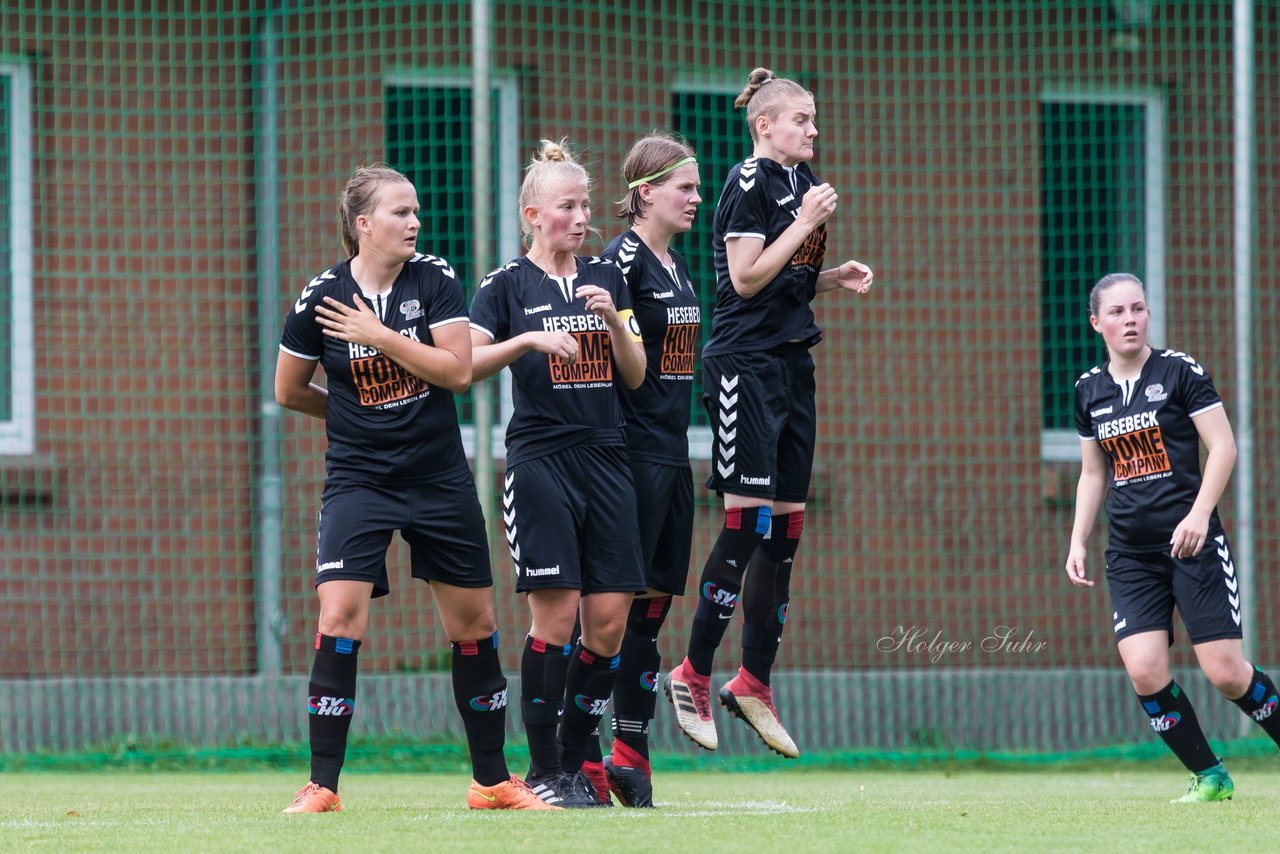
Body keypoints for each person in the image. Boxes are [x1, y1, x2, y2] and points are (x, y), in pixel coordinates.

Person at [275, 164, 555, 813]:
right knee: (339, 615)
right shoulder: (320, 299)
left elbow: (457, 373)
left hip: (438, 478)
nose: (415, 222)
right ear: (363, 224)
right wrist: (354, 417)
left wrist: (379, 337)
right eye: (401, 212)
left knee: (475, 624)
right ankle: (323, 785)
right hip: (360, 482)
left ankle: (491, 782)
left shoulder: (435, 279)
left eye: (416, 211)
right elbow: (288, 391)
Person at [663, 67, 874, 759]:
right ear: (766, 126)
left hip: (791, 362)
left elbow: (781, 275)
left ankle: (753, 679)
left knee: (785, 527)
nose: (814, 129)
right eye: (802, 119)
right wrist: (810, 225)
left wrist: (829, 274)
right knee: (748, 517)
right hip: (745, 367)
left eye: (814, 120)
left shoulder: (793, 184)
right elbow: (746, 278)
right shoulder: (748, 181)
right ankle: (693, 672)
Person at [468, 140, 648, 808]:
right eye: (567, 206)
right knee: (558, 617)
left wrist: (614, 324)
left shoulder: (608, 278)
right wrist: (526, 341)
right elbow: (467, 365)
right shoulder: (505, 286)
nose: (581, 217)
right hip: (541, 461)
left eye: (585, 205)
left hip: (608, 458)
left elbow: (636, 375)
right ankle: (543, 768)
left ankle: (577, 764)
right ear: (532, 213)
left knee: (607, 624)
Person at [1066, 272, 1280, 803]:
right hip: (1130, 555)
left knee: (1227, 674)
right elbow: (1093, 474)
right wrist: (1077, 540)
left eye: (1138, 309)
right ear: (1097, 323)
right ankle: (1211, 777)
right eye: (1117, 312)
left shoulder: (1180, 372)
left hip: (1193, 544)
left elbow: (1224, 448)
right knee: (1143, 669)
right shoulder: (1088, 390)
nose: (1130, 319)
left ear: (1149, 315)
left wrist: (1199, 516)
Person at [596, 133, 703, 807]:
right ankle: (577, 755)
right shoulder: (620, 262)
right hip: (631, 453)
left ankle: (631, 755)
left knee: (654, 607)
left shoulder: (675, 263)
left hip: (672, 451)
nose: (696, 198)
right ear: (646, 193)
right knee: (608, 612)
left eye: (696, 188)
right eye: (685, 188)